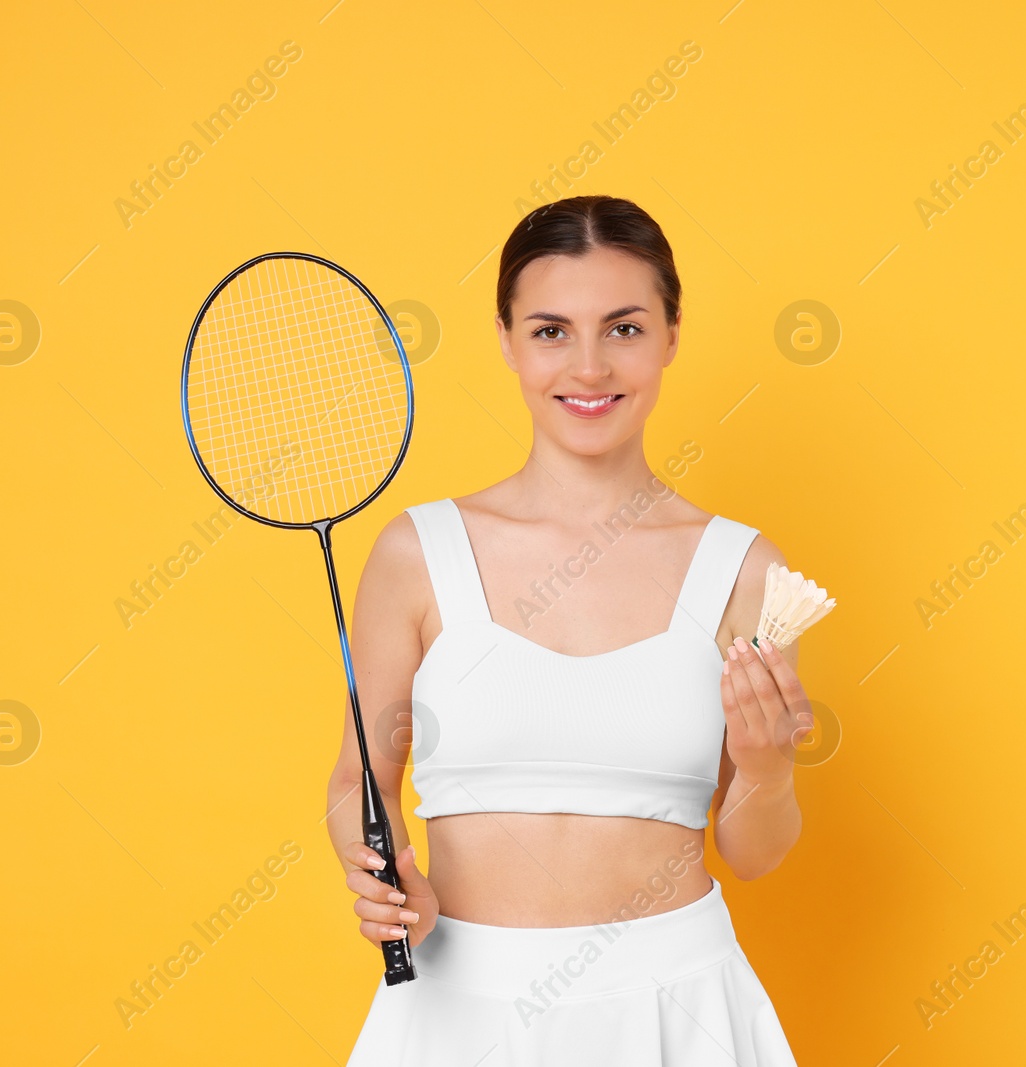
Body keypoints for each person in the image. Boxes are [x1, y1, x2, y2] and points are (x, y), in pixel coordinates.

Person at [327, 194, 810, 1065]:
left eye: (623, 328)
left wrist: (770, 770)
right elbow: (358, 783)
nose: (588, 366)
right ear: (508, 342)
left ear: (669, 337)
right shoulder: (416, 554)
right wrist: (387, 871)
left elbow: (753, 852)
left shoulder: (743, 569)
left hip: (680, 1010)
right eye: (552, 331)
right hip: (454, 1010)